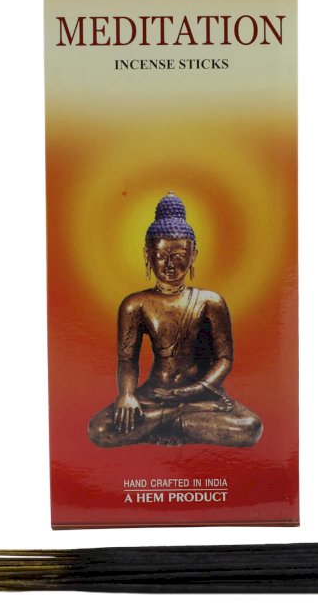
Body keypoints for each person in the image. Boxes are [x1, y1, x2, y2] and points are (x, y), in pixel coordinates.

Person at [88, 192, 263, 448]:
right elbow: (127, 360)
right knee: (100, 429)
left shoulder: (210, 301)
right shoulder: (135, 304)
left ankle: (167, 420)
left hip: (200, 396)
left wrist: (195, 391)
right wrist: (126, 395)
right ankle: (177, 417)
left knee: (249, 427)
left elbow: (224, 358)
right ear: (147, 255)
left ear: (193, 255)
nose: (170, 265)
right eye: (161, 256)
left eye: (179, 256)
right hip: (155, 395)